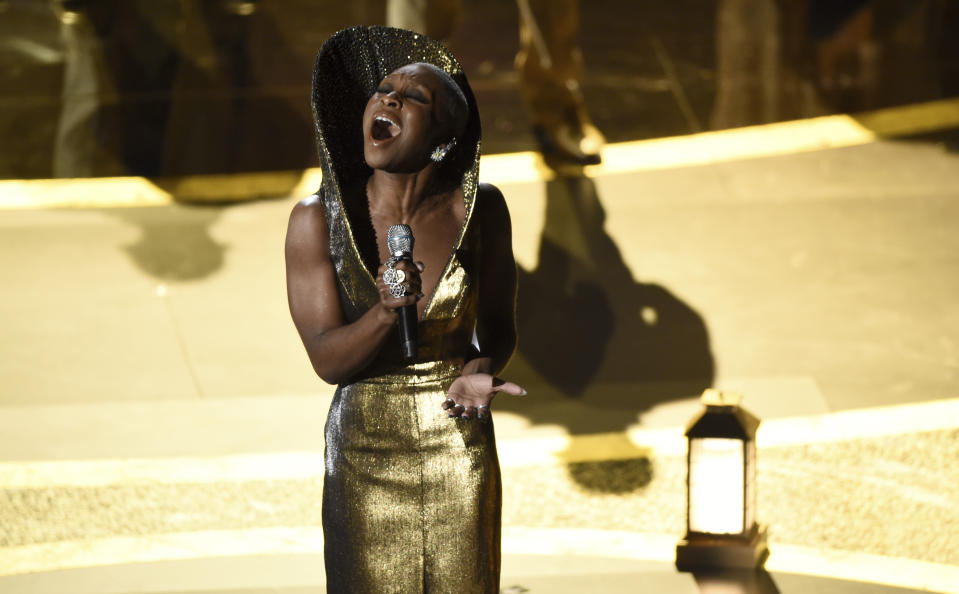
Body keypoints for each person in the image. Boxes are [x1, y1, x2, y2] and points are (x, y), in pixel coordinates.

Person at [284, 26, 524, 592]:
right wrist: (385, 312)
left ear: (443, 140)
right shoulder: (316, 221)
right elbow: (326, 358)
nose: (388, 99)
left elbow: (498, 329)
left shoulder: (481, 210)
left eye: (414, 97)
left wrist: (478, 369)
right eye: (383, 90)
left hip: (456, 439)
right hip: (365, 447)